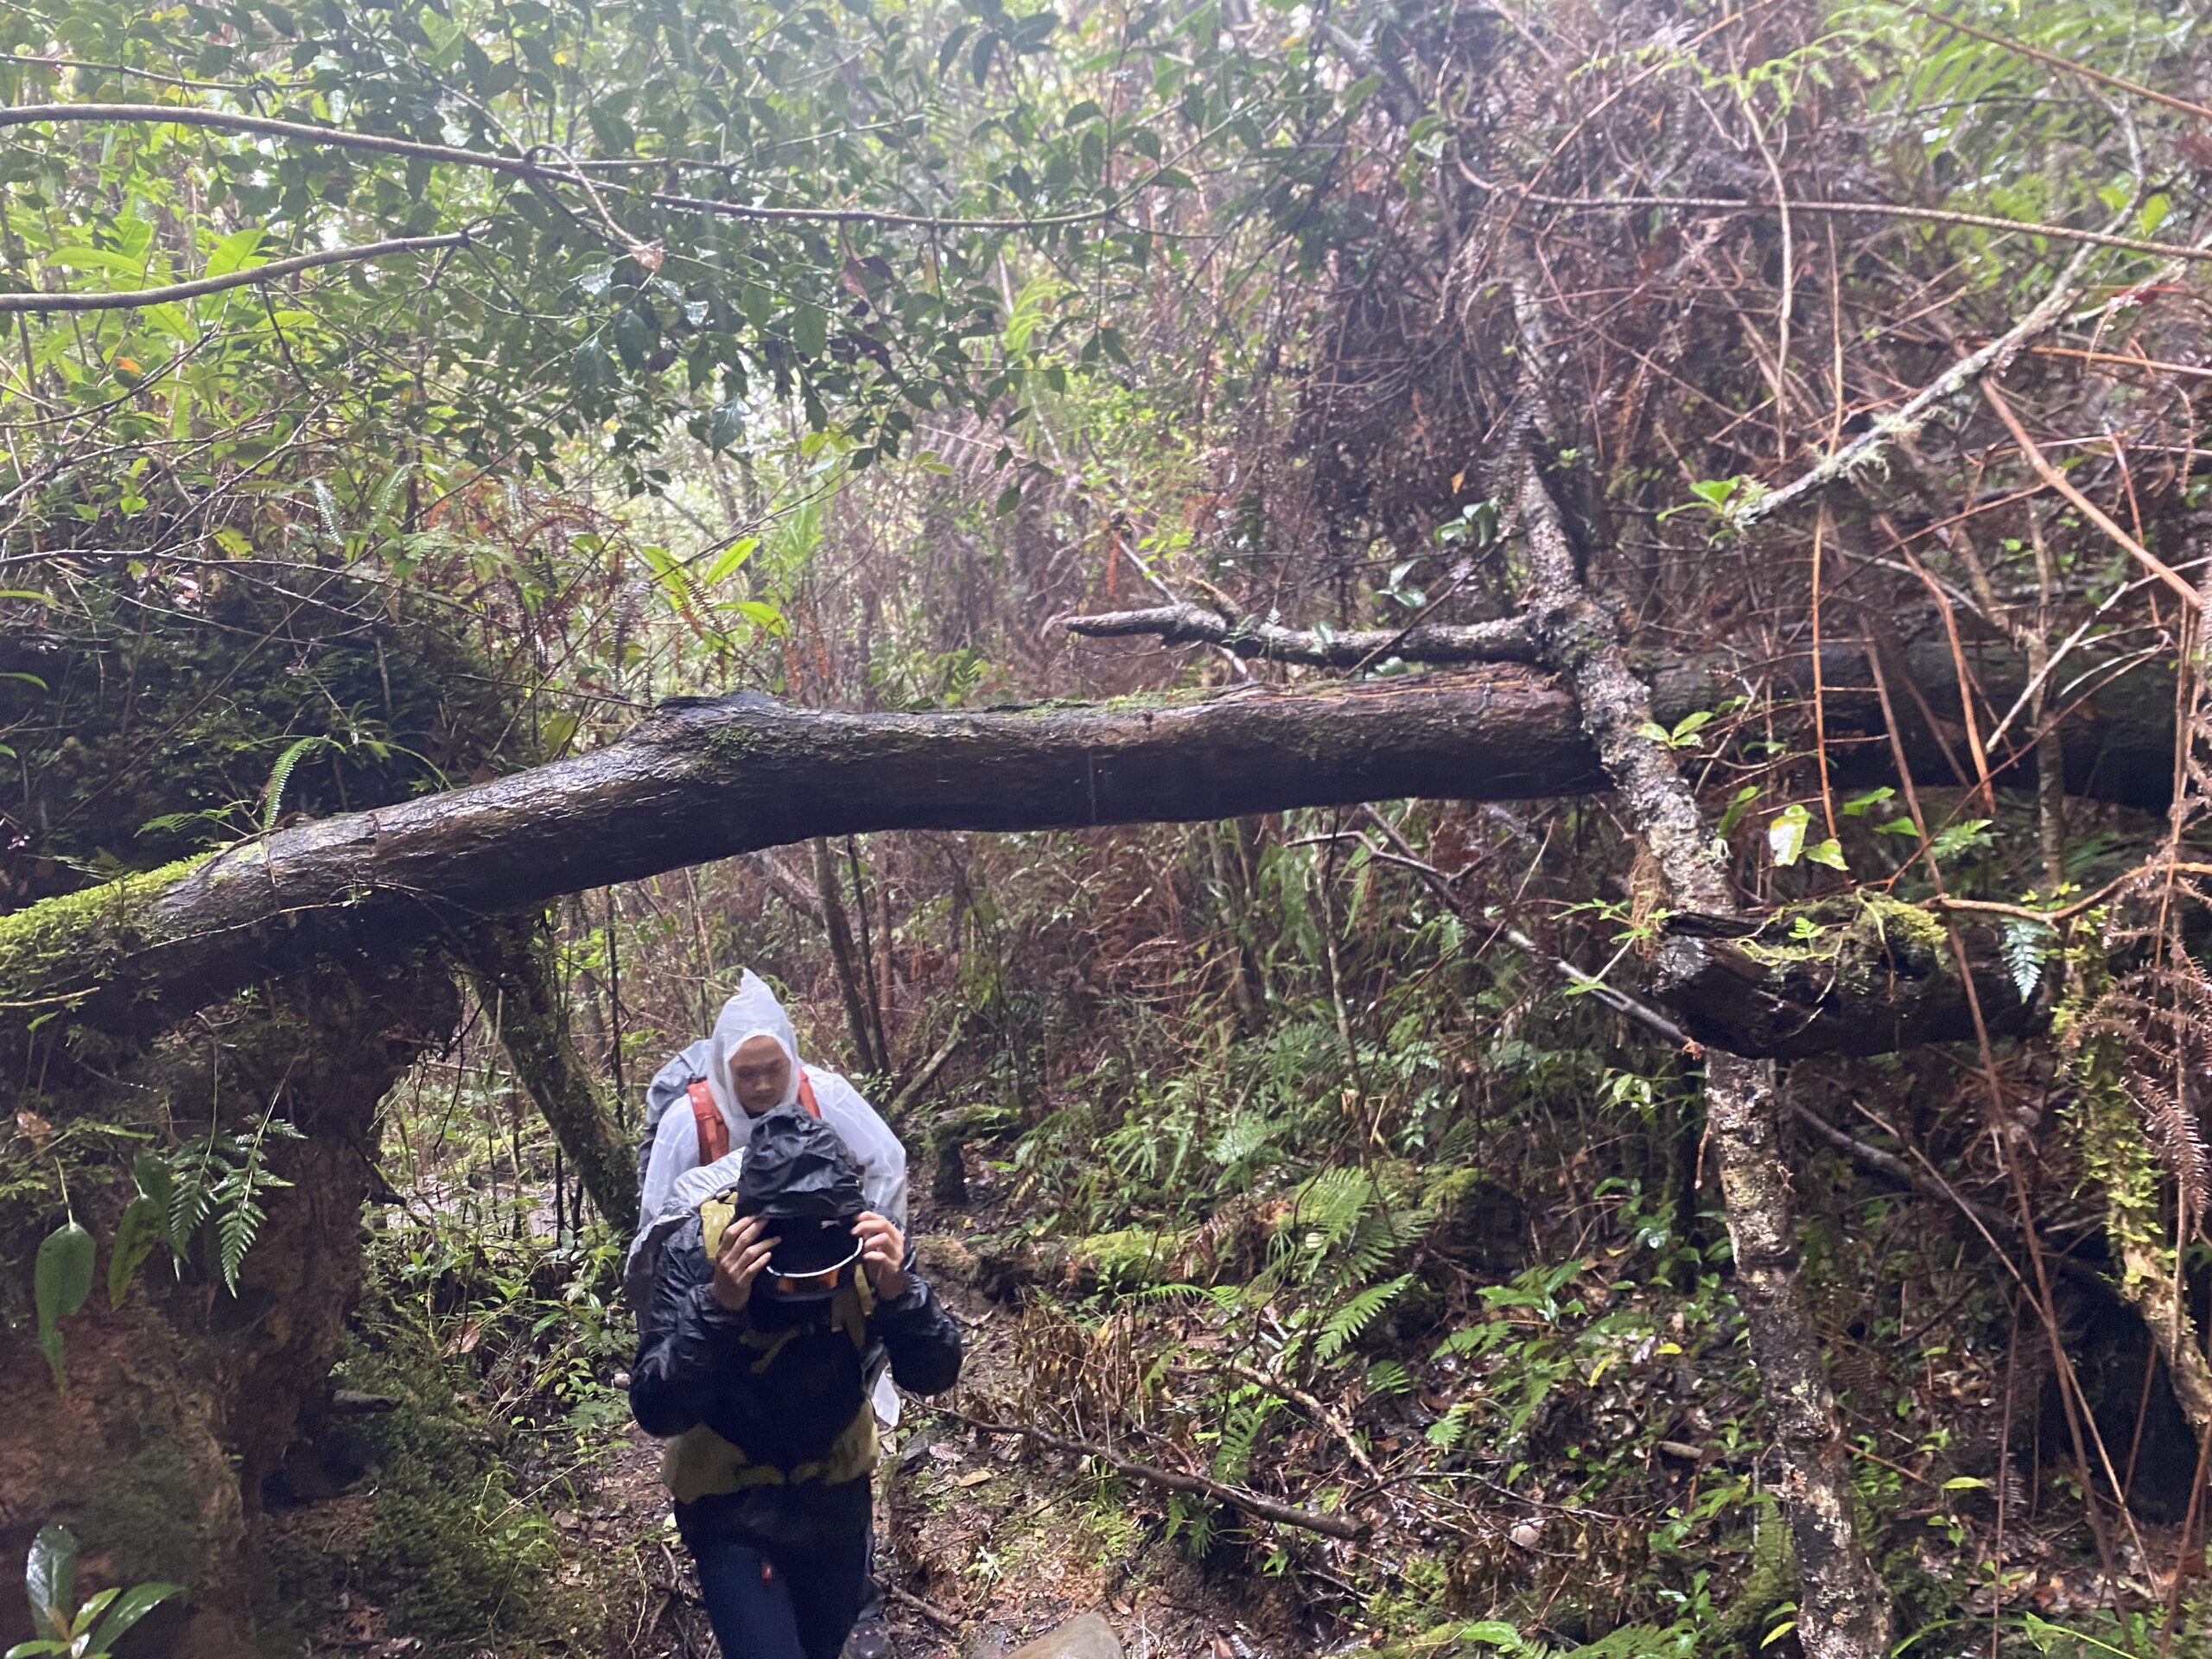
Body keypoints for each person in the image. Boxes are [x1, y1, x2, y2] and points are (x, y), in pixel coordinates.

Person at [631, 1110, 963, 1659]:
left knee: (824, 1644)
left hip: (833, 1494)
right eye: (786, 1232)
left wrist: (901, 1293)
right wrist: (719, 1306)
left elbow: (933, 1374)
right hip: (729, 1502)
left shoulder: (871, 1247)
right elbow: (657, 1408)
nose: (807, 1256)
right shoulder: (699, 1253)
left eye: (820, 1229)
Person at [638, 969, 906, 1235]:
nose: (763, 1085)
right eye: (746, 1074)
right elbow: (658, 1216)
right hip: (723, 1254)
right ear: (722, 1070)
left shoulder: (825, 1094)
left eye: (775, 1069)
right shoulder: (688, 1120)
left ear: (791, 1057)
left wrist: (872, 1236)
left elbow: (887, 1160)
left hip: (823, 1244)